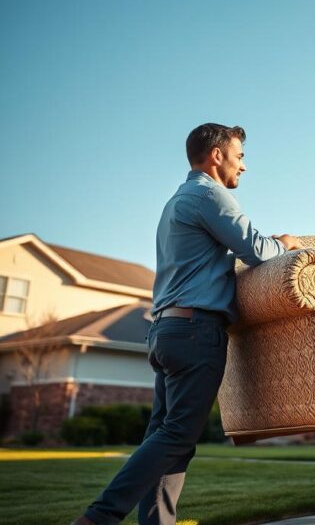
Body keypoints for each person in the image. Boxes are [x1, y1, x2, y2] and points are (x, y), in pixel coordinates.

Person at [72, 123, 302, 525]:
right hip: (195, 333)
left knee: (169, 438)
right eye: (240, 156)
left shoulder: (177, 200)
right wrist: (286, 242)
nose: (244, 166)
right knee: (176, 436)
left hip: (167, 331)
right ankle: (98, 518)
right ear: (217, 156)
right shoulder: (210, 194)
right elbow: (256, 250)